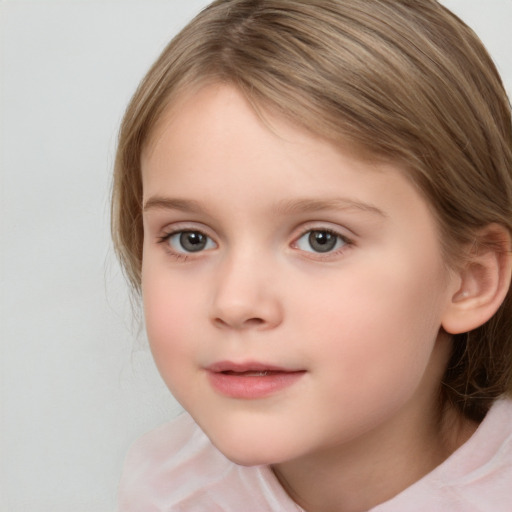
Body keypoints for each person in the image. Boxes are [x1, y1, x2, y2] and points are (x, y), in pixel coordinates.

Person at [113, 1, 512, 510]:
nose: (235, 303)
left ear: (470, 279)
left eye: (322, 239)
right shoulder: (165, 487)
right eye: (191, 238)